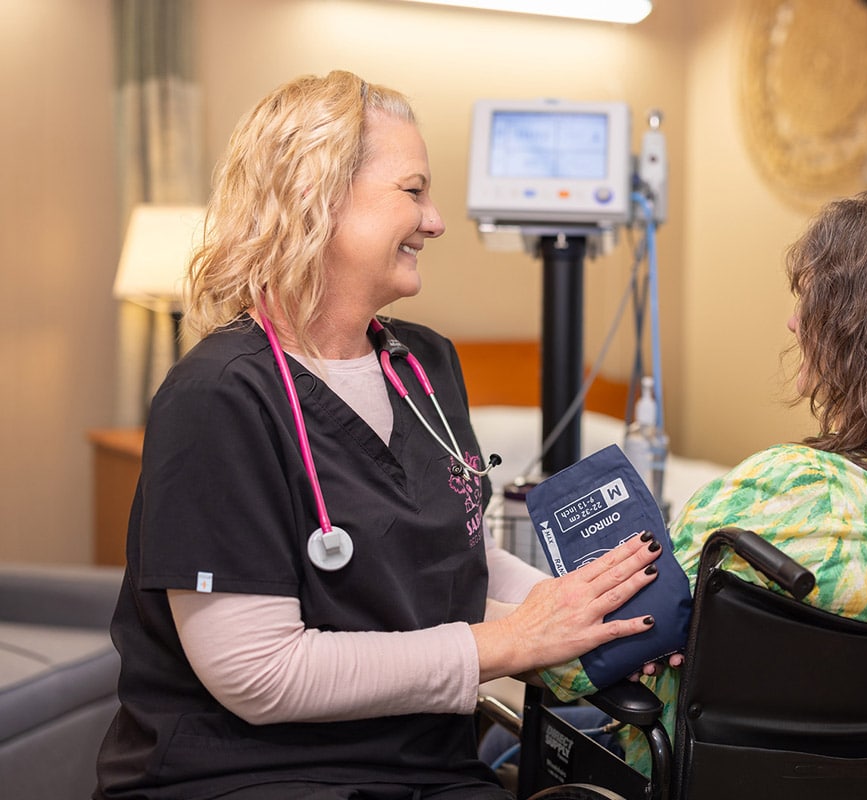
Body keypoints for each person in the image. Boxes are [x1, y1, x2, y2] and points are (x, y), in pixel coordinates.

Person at [93, 70, 665, 800]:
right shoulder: (218, 397)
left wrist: (602, 618)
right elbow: (258, 673)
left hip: (426, 766)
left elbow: (464, 556)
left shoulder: (426, 365)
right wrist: (510, 642)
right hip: (248, 774)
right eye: (413, 191)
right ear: (317, 195)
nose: (436, 221)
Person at [535, 190, 867, 777]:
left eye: (813, 303)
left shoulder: (780, 496)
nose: (793, 321)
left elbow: (568, 663)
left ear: (860, 336)